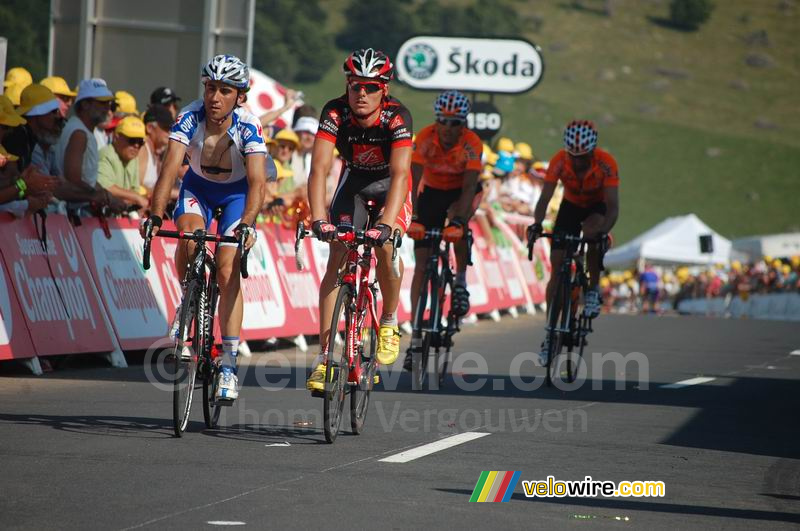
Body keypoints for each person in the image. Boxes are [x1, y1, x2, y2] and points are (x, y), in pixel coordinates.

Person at [141, 54, 269, 402]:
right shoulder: (189, 117)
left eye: (224, 90)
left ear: (239, 96)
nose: (214, 97)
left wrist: (247, 223)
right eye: (210, 88)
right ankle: (187, 300)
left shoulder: (248, 125)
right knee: (191, 240)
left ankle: (228, 365)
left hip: (236, 197)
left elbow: (258, 182)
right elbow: (169, 168)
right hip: (197, 189)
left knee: (228, 272)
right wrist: (154, 214)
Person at [306, 48, 413, 392]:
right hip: (354, 181)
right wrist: (318, 218)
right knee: (338, 253)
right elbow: (320, 168)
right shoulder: (334, 112)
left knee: (384, 247)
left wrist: (387, 223)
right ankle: (324, 358)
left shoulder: (397, 116)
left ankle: (389, 320)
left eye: (369, 87)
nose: (361, 94)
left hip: (390, 185)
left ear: (384, 89)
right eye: (355, 87)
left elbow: (400, 174)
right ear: (347, 86)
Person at [527, 120, 619, 365]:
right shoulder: (559, 160)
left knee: (591, 232)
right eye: (573, 156)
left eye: (583, 157)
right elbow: (544, 198)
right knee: (557, 266)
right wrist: (537, 224)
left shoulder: (606, 164)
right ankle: (550, 332)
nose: (577, 162)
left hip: (596, 207)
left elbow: (613, 207)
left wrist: (603, 231)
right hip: (570, 207)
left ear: (592, 151)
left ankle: (592, 290)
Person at [403, 90, 481, 368]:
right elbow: (411, 180)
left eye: (455, 123)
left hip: (461, 192)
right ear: (437, 121)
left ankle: (459, 280)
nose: (449, 129)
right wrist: (411, 216)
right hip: (433, 193)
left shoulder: (472, 144)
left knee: (459, 227)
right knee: (422, 265)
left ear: (464, 124)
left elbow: (471, 186)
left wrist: (459, 220)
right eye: (444, 122)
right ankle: (415, 334)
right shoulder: (424, 138)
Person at [3, 85, 102, 207]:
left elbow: (36, 185)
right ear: (37, 113)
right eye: (53, 112)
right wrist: (23, 187)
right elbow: (18, 183)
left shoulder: (32, 138)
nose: (58, 117)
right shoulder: (18, 136)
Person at [54, 78, 124, 212]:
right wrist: (105, 197)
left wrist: (106, 195)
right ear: (85, 104)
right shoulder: (79, 134)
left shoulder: (82, 130)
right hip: (76, 211)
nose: (107, 107)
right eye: (102, 102)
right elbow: (74, 180)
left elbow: (87, 180)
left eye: (108, 103)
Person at [97, 116, 148, 210]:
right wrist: (135, 197)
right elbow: (105, 187)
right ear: (116, 137)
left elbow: (134, 190)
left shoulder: (133, 158)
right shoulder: (106, 155)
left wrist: (133, 197)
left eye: (140, 142)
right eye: (132, 140)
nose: (136, 146)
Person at [138, 104, 173, 194]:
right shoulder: (142, 148)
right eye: (166, 128)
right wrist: (168, 193)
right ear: (150, 128)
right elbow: (136, 186)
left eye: (171, 128)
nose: (169, 132)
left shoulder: (155, 152)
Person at [291, 116, 318, 185]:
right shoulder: (287, 153)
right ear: (296, 133)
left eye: (312, 134)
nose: (309, 137)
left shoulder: (308, 157)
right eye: (306, 132)